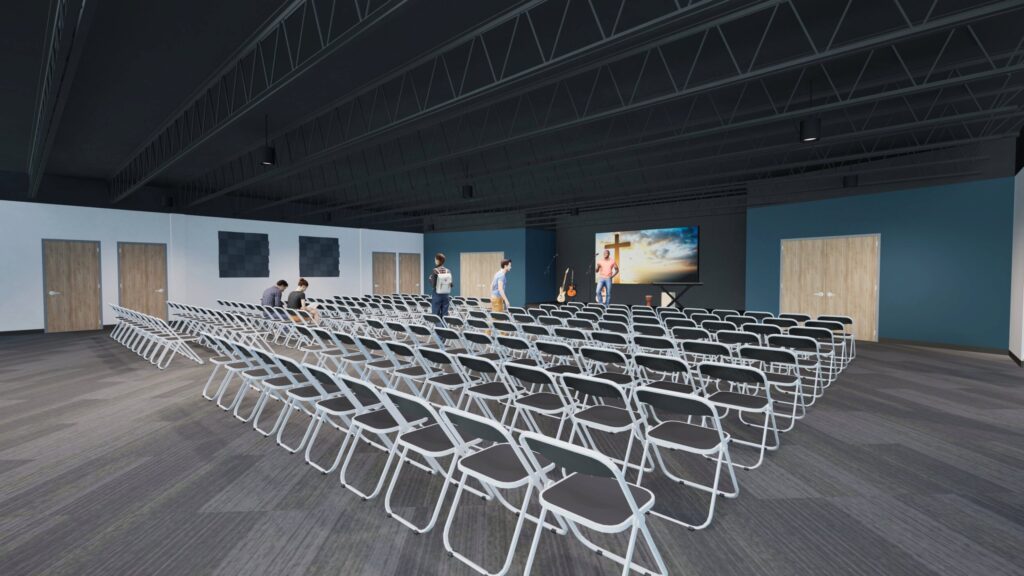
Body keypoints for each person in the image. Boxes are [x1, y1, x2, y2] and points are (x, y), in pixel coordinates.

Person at [428, 252, 453, 319]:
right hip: (446, 296)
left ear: (438, 260)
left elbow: (433, 285)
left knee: (436, 316)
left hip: (437, 295)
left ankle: (439, 326)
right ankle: (444, 326)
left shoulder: (435, 270)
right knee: (445, 315)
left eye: (435, 259)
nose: (435, 261)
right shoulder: (448, 271)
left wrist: (430, 279)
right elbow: (451, 284)